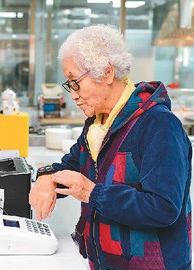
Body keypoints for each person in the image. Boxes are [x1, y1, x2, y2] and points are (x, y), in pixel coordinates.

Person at [29, 24, 192, 269]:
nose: (72, 94)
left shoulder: (158, 124)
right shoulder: (97, 124)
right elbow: (69, 166)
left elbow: (163, 208)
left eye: (75, 82)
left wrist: (91, 193)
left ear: (106, 72)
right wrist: (46, 177)